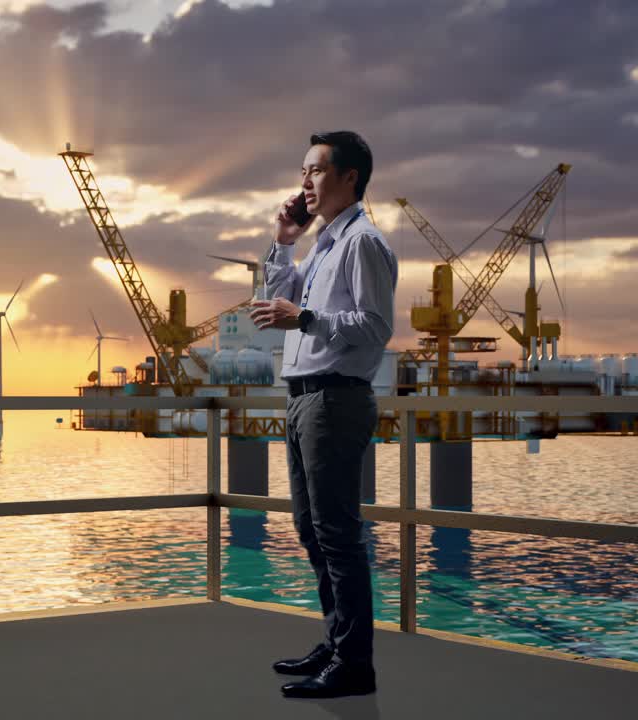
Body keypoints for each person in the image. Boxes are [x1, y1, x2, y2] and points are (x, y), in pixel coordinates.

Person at [250, 130, 398, 699]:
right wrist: (284, 242)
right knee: (312, 531)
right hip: (304, 396)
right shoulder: (326, 245)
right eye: (303, 171)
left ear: (349, 177)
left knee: (337, 535)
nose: (304, 182)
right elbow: (281, 295)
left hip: (335, 398)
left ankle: (354, 664)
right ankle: (337, 642)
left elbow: (375, 326)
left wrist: (305, 319)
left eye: (314, 170)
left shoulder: (363, 242)